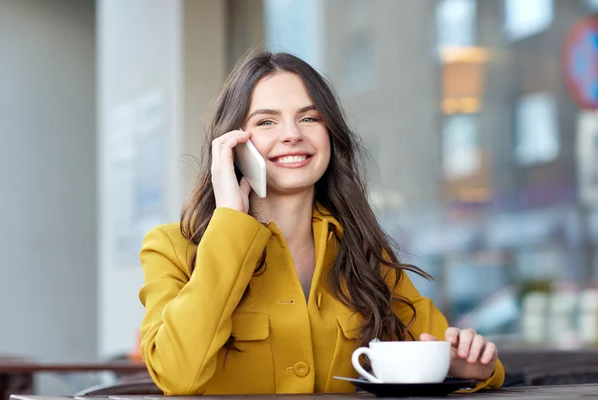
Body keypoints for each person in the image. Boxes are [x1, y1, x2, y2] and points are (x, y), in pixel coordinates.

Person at [138, 51, 505, 395]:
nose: (292, 134)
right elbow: (177, 374)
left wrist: (467, 366)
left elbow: (445, 348)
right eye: (266, 121)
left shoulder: (362, 249)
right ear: (231, 145)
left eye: (309, 118)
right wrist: (230, 221)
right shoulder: (171, 247)